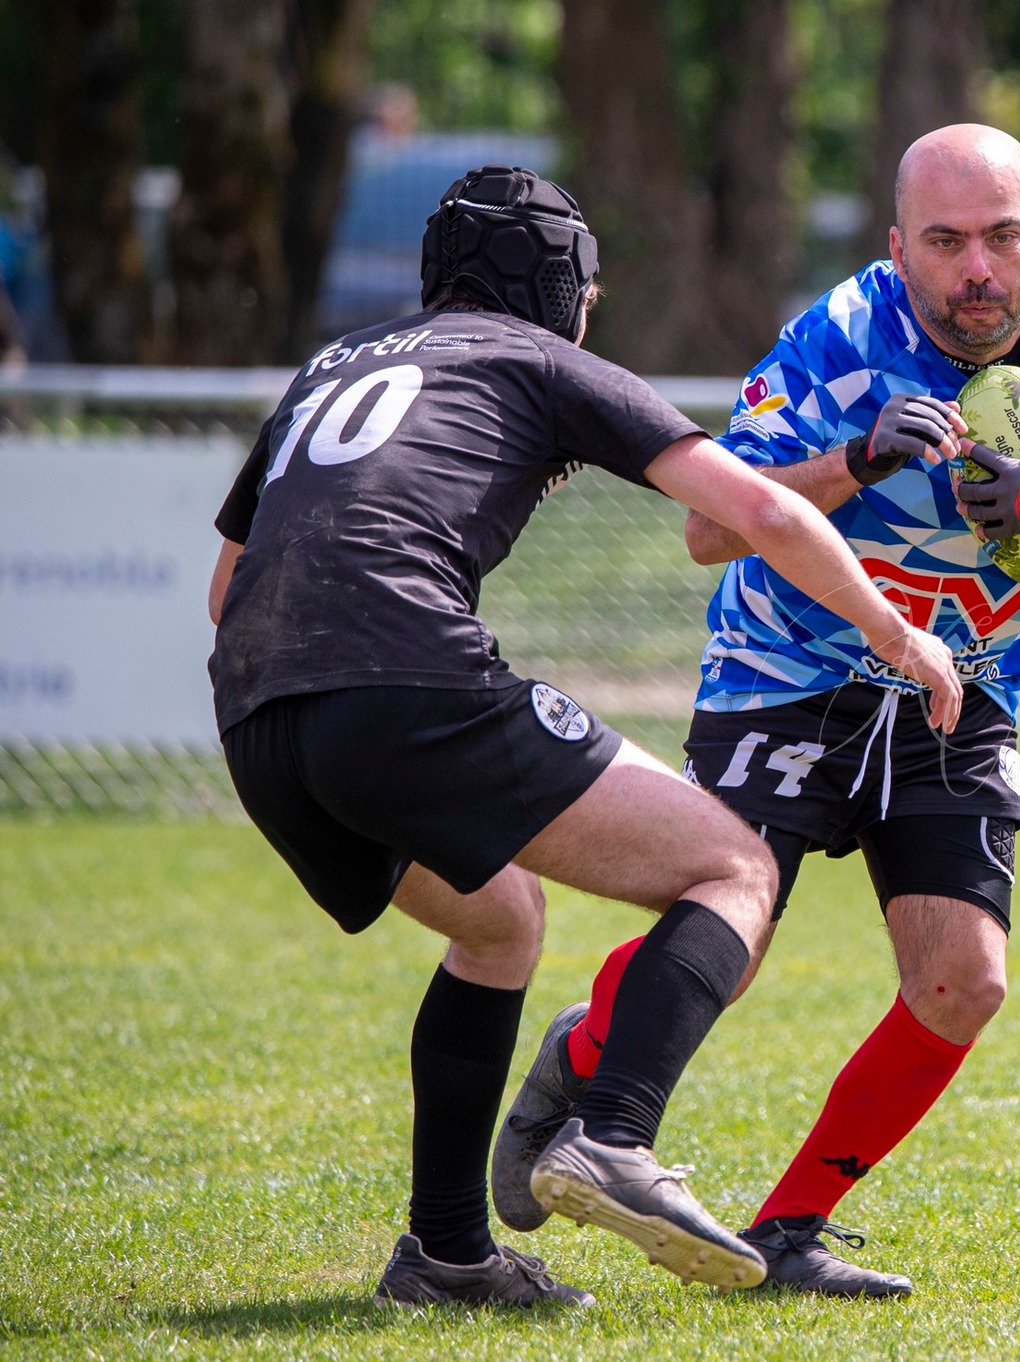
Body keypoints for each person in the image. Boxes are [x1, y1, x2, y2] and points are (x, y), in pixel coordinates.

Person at [206, 166, 963, 1309]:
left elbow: (225, 590)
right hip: (402, 685)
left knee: (500, 919)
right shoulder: (540, 356)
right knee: (732, 865)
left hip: (256, 721)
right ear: (560, 285)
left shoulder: (332, 366)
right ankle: (612, 1135)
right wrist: (896, 630)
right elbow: (754, 509)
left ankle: (448, 1255)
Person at [493, 125, 1020, 1297]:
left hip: (961, 689)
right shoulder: (839, 336)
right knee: (734, 935)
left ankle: (786, 1232)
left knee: (962, 980)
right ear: (898, 248)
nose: (973, 269)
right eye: (943, 243)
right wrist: (852, 459)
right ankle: (585, 1055)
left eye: (999, 238)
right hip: (789, 671)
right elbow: (707, 530)